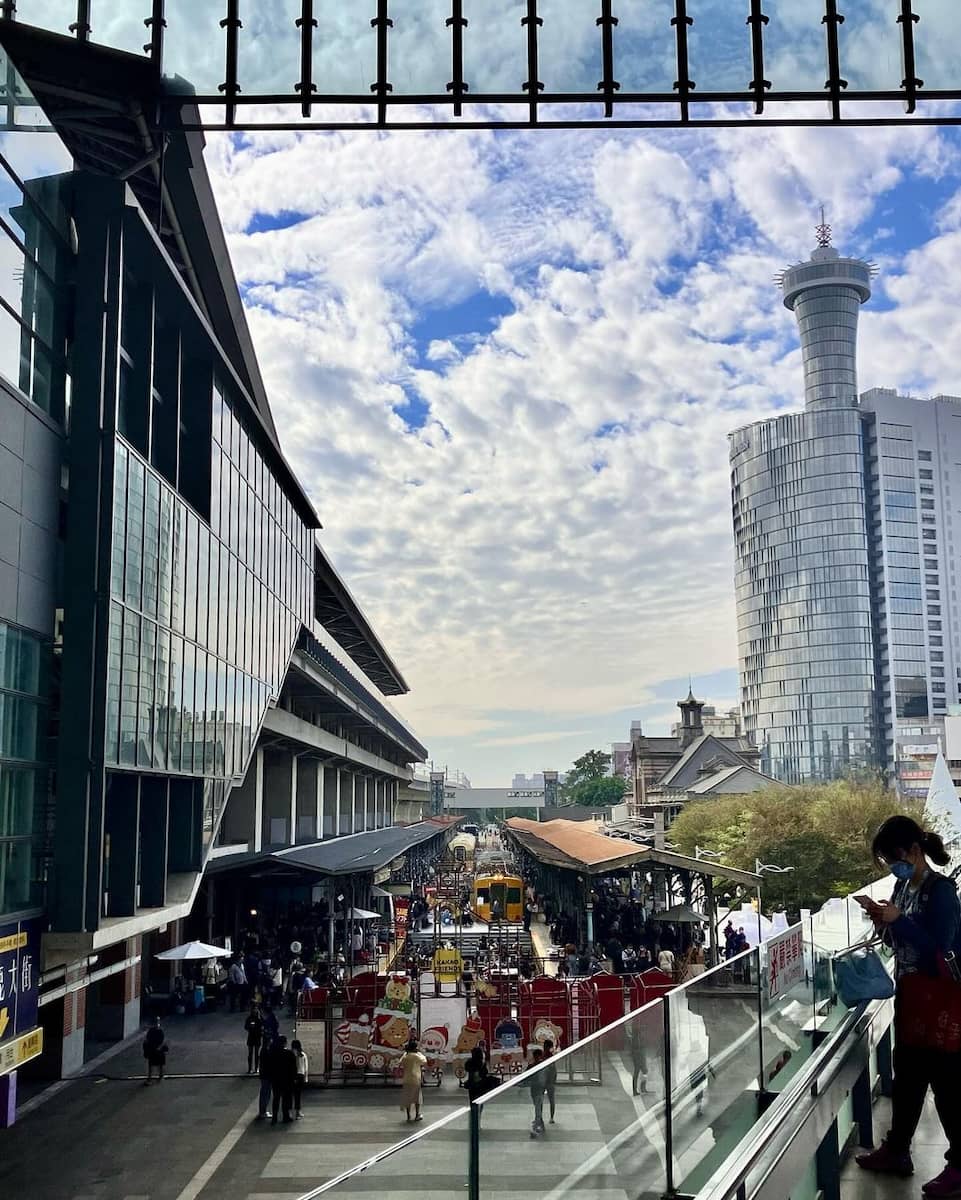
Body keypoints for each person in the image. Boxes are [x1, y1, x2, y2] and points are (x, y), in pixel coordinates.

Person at [855, 816, 961, 1197]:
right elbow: (899, 944)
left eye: (895, 858)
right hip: (911, 996)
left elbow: (941, 948)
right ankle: (897, 1149)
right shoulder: (902, 886)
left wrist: (900, 920)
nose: (893, 866)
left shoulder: (941, 891)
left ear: (915, 852)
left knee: (947, 1084)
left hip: (941, 1002)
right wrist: (884, 921)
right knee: (909, 1078)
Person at [400, 1037, 428, 1123]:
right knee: (417, 1098)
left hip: (406, 1079)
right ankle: (417, 1115)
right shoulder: (416, 1056)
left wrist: (405, 1053)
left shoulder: (405, 1056)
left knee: (407, 1097)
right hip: (416, 1078)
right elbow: (424, 1061)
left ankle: (408, 1116)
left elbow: (400, 1062)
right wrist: (420, 1053)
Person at [271, 1035, 297, 1125]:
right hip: (287, 1080)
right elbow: (294, 1068)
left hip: (276, 1080)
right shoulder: (289, 1054)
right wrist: (294, 1078)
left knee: (276, 1098)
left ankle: (274, 1117)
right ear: (285, 1042)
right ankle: (286, 1116)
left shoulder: (273, 1053)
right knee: (286, 1099)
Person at [142, 1016, 167, 1085]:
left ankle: (159, 1076)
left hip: (157, 1049)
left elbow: (163, 1040)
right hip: (154, 1049)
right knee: (153, 1064)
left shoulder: (158, 1030)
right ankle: (151, 1078)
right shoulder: (152, 1031)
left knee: (159, 1064)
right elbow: (147, 1040)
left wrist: (159, 1047)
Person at [528, 1047, 547, 1137]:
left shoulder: (534, 1065)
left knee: (538, 1108)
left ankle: (536, 1127)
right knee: (538, 1106)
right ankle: (540, 1123)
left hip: (537, 1089)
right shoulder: (541, 1065)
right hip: (537, 1089)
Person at [257, 1035, 276, 1120]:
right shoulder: (266, 1051)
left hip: (264, 1074)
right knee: (266, 1093)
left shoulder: (263, 1050)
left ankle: (263, 1111)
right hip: (267, 1075)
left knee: (265, 1092)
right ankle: (263, 1111)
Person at [291, 1038, 309, 1120]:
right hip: (300, 1076)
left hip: (292, 1076)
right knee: (298, 1095)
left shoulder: (290, 1054)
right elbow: (306, 1068)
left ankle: (290, 1112)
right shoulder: (303, 1055)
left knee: (291, 1095)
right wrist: (306, 1078)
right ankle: (298, 1112)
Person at [244, 1002, 264, 1073]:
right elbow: (245, 1026)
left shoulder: (260, 1018)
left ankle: (256, 1068)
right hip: (251, 1037)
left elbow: (263, 1025)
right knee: (250, 1053)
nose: (255, 1010)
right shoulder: (249, 1018)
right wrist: (250, 1027)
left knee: (257, 1054)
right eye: (254, 1009)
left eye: (256, 1009)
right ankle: (250, 1068)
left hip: (257, 1037)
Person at [542, 1039, 558, 1124]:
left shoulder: (542, 1056)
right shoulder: (551, 1057)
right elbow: (554, 1070)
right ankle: (551, 1118)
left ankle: (539, 1117)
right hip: (550, 1082)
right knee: (552, 1100)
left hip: (542, 1081)